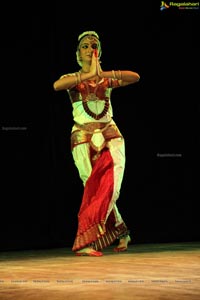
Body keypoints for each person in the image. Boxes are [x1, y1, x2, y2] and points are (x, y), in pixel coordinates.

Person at [53, 30, 140, 256]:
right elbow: (56, 86)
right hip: (82, 138)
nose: (89, 48)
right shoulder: (71, 79)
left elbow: (135, 77)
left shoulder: (106, 80)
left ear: (99, 52)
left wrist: (102, 72)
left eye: (94, 45)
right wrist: (88, 74)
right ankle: (115, 234)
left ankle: (94, 237)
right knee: (93, 190)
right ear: (77, 54)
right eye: (84, 45)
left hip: (110, 136)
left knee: (111, 189)